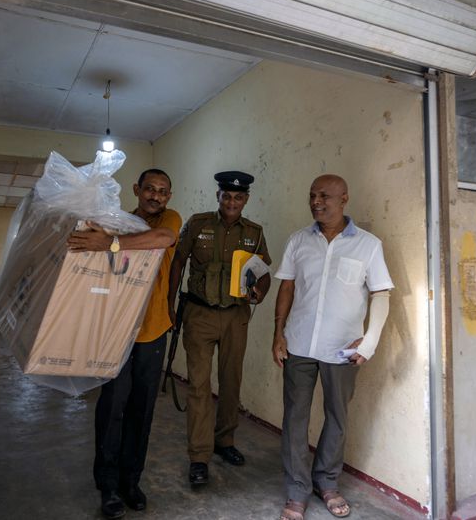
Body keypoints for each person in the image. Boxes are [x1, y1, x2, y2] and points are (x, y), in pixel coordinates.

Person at [272, 174, 393, 520]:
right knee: (295, 419)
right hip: (298, 344)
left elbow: (381, 295)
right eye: (312, 195)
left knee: (337, 417)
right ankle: (296, 491)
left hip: (343, 348)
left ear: (344, 199)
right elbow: (286, 289)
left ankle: (326, 482)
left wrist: (369, 342)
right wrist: (278, 333)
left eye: (324, 195)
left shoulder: (368, 245)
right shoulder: (298, 241)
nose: (316, 202)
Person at [67, 168, 182, 520]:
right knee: (112, 407)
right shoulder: (120, 221)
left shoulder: (171, 220)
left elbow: (161, 239)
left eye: (163, 191)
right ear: (137, 189)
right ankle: (108, 486)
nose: (155, 196)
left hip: (153, 330)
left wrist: (111, 243)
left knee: (142, 409)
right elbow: (94, 253)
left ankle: (132, 482)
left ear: (168, 196)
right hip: (117, 329)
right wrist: (97, 236)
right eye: (149, 189)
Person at [168, 171, 272, 487]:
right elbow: (177, 263)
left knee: (231, 382)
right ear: (218, 196)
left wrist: (260, 293)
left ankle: (224, 442)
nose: (231, 202)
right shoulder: (198, 224)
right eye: (226, 196)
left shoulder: (254, 232)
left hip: (236, 316)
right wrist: (169, 307)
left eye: (238, 197)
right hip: (199, 314)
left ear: (246, 200)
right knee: (199, 385)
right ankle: (199, 456)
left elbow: (263, 271)